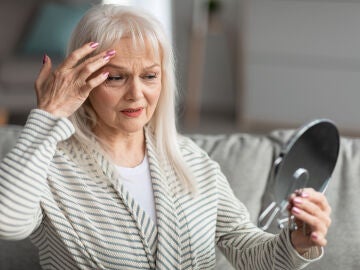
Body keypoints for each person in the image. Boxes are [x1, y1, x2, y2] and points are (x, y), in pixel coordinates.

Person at [0, 4, 331, 270]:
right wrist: (49, 114)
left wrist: (296, 244)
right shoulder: (49, 163)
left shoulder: (191, 160)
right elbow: (7, 222)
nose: (137, 94)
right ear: (82, 80)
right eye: (115, 78)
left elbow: (248, 251)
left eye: (149, 76)